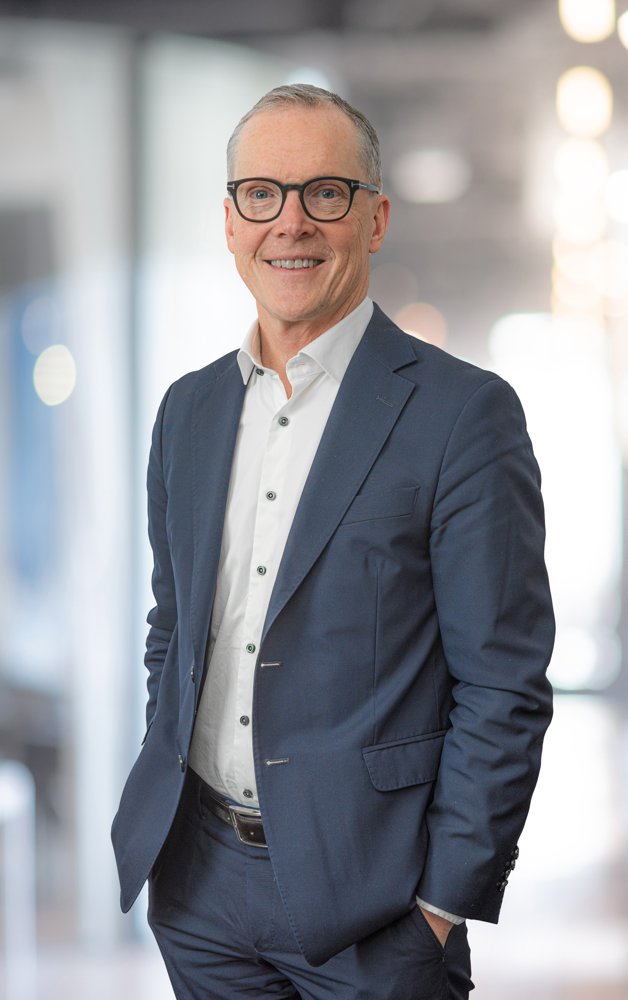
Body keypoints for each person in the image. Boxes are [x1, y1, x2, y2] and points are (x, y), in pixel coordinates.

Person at [112, 84, 554, 999]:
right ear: (230, 222)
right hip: (199, 888)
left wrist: (441, 902)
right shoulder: (188, 411)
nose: (291, 222)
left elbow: (503, 684)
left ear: (375, 218)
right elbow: (173, 630)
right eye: (262, 194)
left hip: (375, 907)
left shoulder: (463, 414)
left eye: (325, 192)